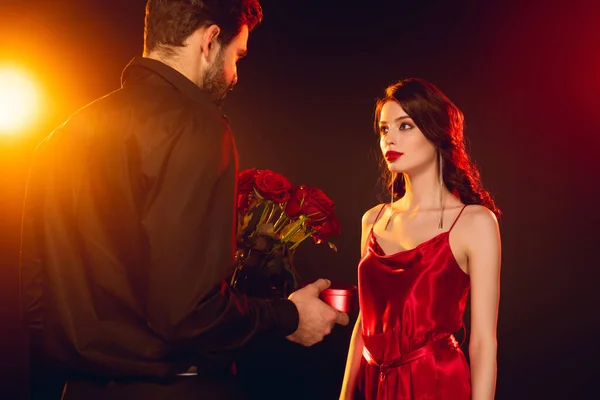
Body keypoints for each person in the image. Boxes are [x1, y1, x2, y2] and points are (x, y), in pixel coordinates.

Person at [19, 1, 349, 399]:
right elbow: (188, 313)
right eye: (237, 56)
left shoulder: (60, 136)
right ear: (210, 40)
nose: (234, 75)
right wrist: (289, 316)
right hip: (176, 388)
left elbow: (37, 303)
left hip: (76, 390)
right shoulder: (197, 126)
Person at [340, 78, 501, 400]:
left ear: (436, 131)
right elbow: (365, 321)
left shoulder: (475, 222)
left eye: (405, 126)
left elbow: (483, 340)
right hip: (375, 383)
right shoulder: (373, 219)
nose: (389, 139)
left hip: (436, 384)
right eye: (384, 129)